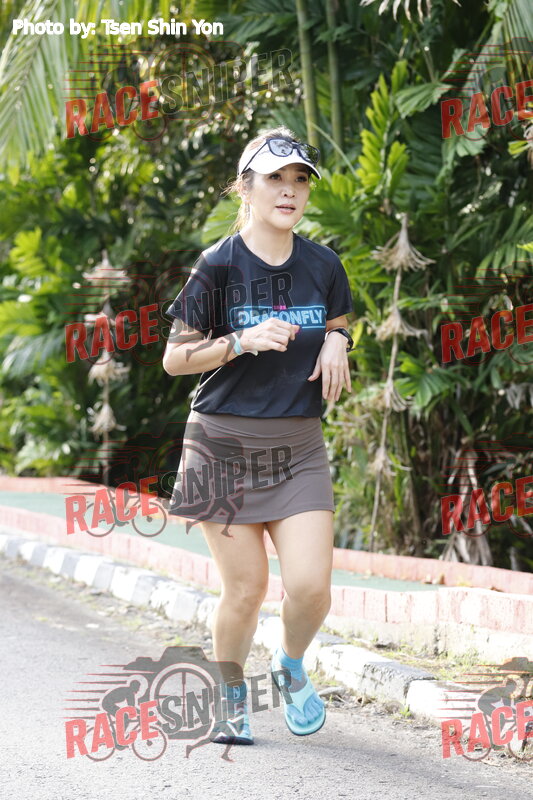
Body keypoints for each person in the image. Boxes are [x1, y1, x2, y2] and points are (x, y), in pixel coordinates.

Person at [162, 125, 354, 745]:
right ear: (245, 187)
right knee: (246, 590)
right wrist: (239, 342)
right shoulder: (217, 265)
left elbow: (337, 321)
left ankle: (290, 665)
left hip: (298, 448)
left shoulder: (323, 264)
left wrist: (338, 339)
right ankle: (230, 694)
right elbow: (175, 358)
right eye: (275, 178)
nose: (289, 190)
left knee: (312, 588)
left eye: (300, 180)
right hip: (221, 444)